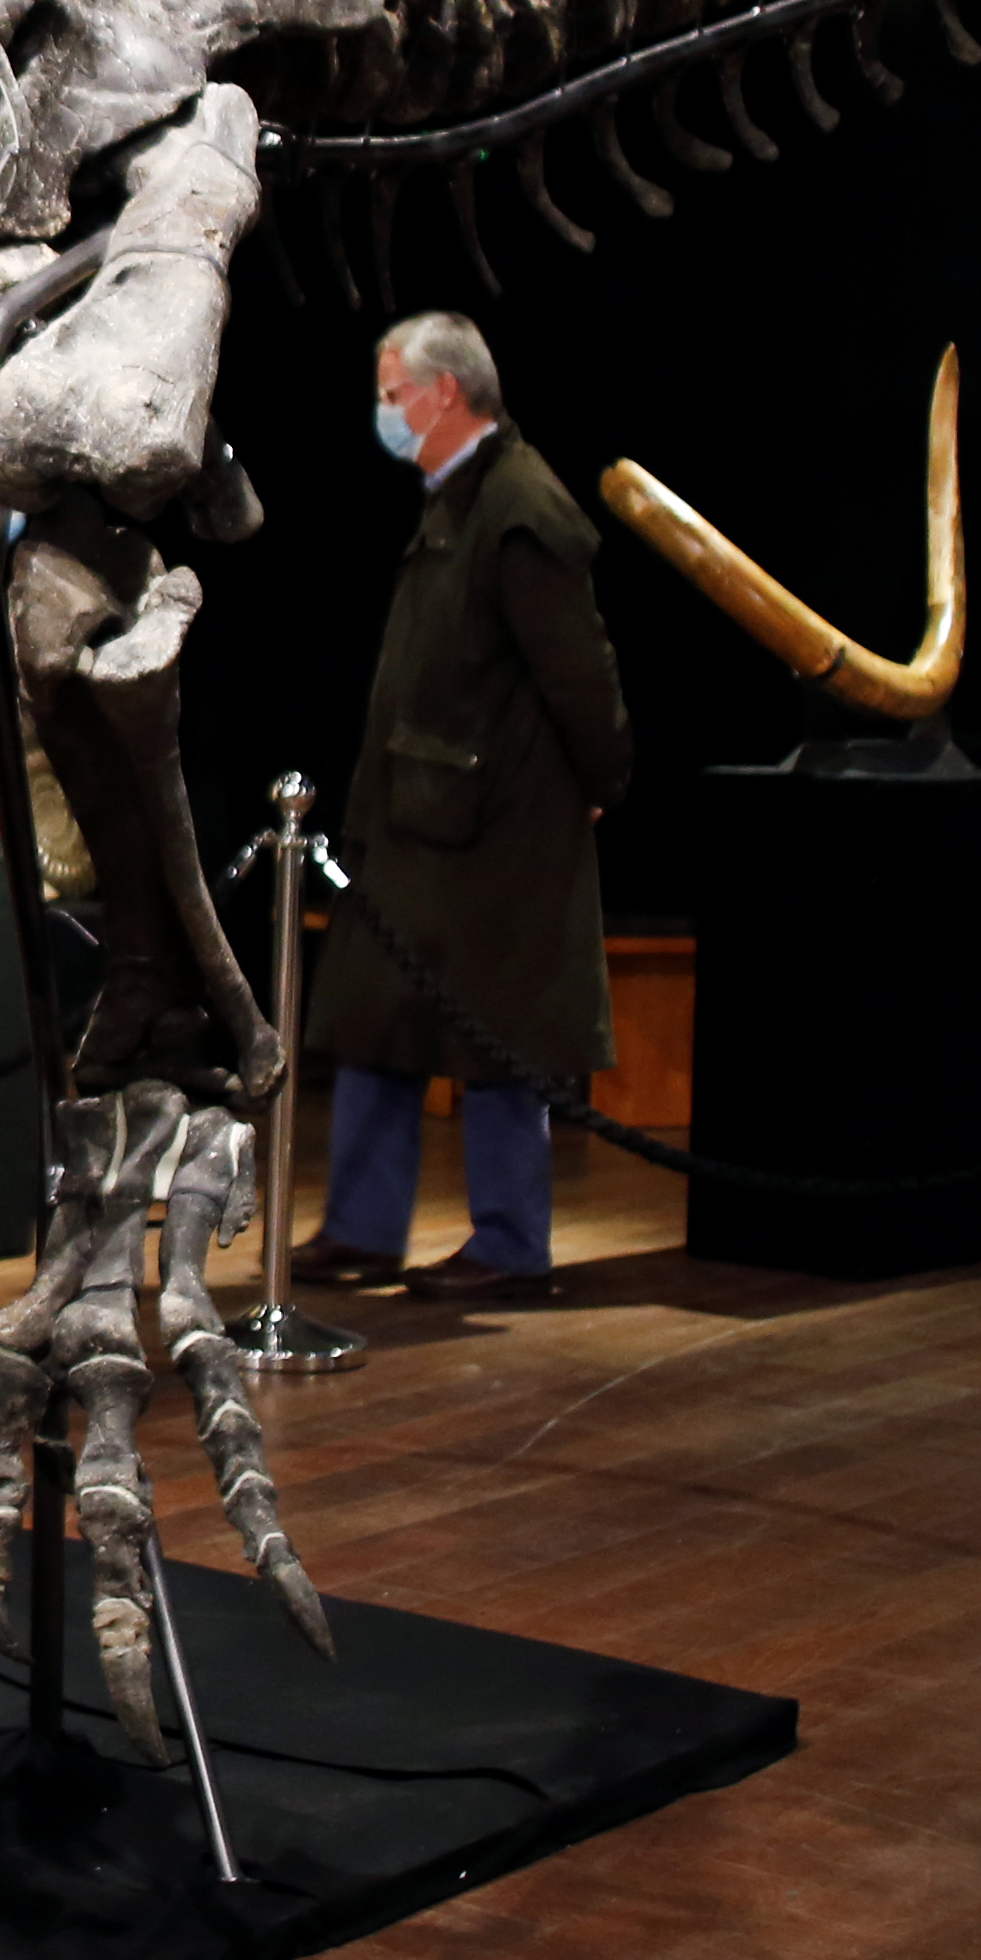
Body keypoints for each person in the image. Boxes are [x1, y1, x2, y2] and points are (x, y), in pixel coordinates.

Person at [296, 312, 633, 1303]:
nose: (383, 412)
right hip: (417, 819)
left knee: (500, 1032)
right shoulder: (455, 498)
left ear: (444, 394)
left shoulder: (519, 507)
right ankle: (359, 1230)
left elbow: (580, 674)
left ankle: (510, 1242)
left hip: (494, 830)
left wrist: (600, 782)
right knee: (374, 1015)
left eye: (392, 392)